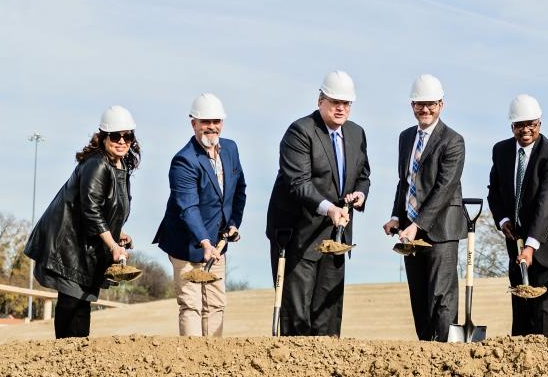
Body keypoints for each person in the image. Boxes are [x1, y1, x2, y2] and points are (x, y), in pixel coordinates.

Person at [265, 71, 371, 337]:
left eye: (346, 103)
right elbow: (298, 183)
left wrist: (360, 193)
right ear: (320, 100)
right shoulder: (300, 132)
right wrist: (330, 208)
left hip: (336, 236)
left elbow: (362, 175)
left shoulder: (356, 134)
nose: (341, 108)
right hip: (298, 235)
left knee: (328, 311)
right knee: (297, 313)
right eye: (335, 101)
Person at [24, 106, 139, 338]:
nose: (121, 141)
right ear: (103, 137)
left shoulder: (121, 166)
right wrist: (113, 246)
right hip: (68, 244)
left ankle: (77, 356)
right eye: (115, 136)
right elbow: (91, 210)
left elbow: (106, 208)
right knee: (71, 302)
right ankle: (64, 356)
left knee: (83, 301)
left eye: (127, 136)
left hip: (87, 244)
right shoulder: (97, 164)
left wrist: (118, 232)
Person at [153, 93, 247, 337]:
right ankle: (193, 362)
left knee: (216, 304)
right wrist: (205, 242)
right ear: (193, 123)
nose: (211, 127)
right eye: (205, 121)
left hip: (217, 245)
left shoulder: (231, 149)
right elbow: (188, 208)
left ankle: (212, 360)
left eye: (216, 121)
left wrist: (234, 223)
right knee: (192, 305)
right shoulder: (184, 161)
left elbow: (239, 190)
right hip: (185, 244)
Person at [384, 74, 466, 341]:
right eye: (420, 104)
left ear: (441, 104)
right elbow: (405, 181)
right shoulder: (405, 137)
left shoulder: (453, 141)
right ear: (412, 106)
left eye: (431, 104)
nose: (425, 109)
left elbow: (444, 188)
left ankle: (444, 353)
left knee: (441, 296)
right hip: (409, 227)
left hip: (441, 230)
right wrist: (397, 216)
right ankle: (425, 353)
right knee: (419, 296)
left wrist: (416, 226)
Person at [487, 94, 548, 337]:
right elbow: (494, 191)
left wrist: (531, 245)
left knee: (546, 314)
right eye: (520, 125)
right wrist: (503, 220)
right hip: (516, 243)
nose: (526, 130)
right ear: (511, 126)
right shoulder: (501, 150)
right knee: (522, 310)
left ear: (540, 123)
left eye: (531, 125)